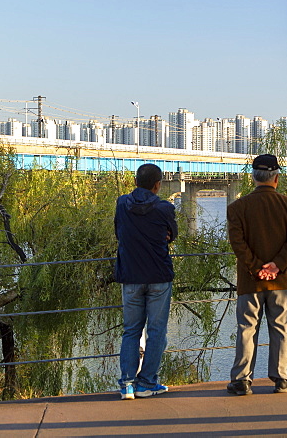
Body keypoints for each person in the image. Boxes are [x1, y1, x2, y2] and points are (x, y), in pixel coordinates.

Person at [226, 153, 287, 396]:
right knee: (281, 327)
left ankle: (241, 380)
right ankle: (281, 378)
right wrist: (276, 266)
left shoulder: (237, 208)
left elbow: (237, 243)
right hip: (280, 280)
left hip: (250, 280)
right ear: (276, 178)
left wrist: (256, 267)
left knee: (247, 328)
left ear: (253, 177)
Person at [114, 162, 178, 400]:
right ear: (158, 185)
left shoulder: (122, 203)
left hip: (130, 276)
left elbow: (118, 232)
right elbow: (172, 235)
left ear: (135, 182)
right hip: (158, 276)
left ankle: (127, 384)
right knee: (156, 331)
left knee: (131, 330)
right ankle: (147, 383)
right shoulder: (164, 208)